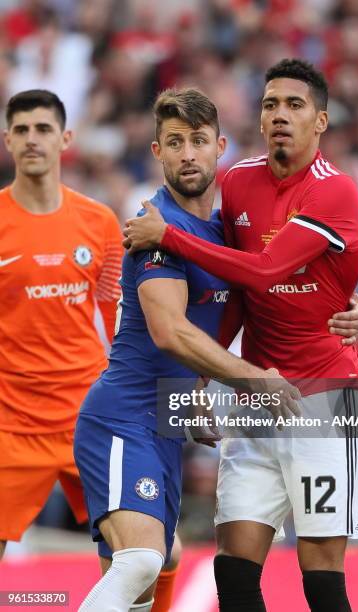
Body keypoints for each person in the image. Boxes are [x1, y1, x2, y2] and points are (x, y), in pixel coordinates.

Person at [122, 59, 358, 612]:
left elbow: (262, 270)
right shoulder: (236, 183)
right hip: (256, 399)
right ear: (259, 118)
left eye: (295, 105)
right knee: (233, 571)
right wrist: (203, 380)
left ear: (322, 121)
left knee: (321, 579)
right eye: (270, 104)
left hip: (324, 402)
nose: (280, 114)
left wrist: (167, 235)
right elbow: (236, 294)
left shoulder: (337, 192)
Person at [74, 87, 306, 612]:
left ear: (219, 146)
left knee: (147, 571)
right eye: (174, 142)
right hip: (121, 418)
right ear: (156, 151)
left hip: (162, 424)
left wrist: (347, 308)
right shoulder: (155, 230)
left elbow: (284, 276)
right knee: (141, 562)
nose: (187, 154)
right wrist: (253, 379)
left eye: (198, 140)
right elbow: (169, 332)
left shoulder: (222, 233)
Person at [0, 88, 182, 612]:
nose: (33, 139)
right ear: (8, 140)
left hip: (90, 417)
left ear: (66, 138)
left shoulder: (99, 222)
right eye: (23, 130)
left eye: (43, 129)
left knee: (155, 555)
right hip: (13, 424)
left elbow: (115, 322)